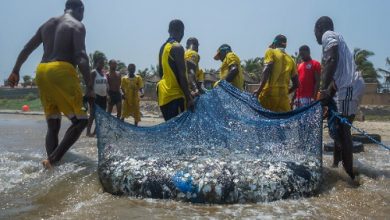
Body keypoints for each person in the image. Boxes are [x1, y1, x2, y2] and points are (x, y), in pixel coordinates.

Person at [7, 0, 93, 169]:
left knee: (53, 123)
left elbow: (27, 48)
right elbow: (81, 56)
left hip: (41, 71)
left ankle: (52, 164)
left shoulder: (47, 24)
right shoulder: (77, 25)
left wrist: (15, 70)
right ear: (80, 9)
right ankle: (52, 160)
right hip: (61, 70)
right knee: (81, 121)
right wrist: (89, 86)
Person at [315, 16, 365, 180]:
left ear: (319, 28)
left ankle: (350, 176)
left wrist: (322, 90)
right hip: (346, 86)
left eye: (315, 31)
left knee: (343, 130)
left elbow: (331, 59)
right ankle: (337, 164)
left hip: (348, 87)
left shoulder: (327, 35)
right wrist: (328, 92)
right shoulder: (337, 38)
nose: (315, 35)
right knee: (337, 126)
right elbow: (336, 68)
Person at [158, 19, 194, 121]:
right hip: (175, 96)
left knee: (170, 131)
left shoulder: (163, 47)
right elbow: (182, 75)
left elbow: (160, 73)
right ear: (182, 32)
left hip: (163, 96)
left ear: (169, 31)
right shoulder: (177, 47)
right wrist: (188, 97)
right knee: (178, 132)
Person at [254, 35, 299, 112]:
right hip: (283, 99)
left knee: (265, 120)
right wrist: (285, 93)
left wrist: (259, 90)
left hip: (269, 96)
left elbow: (267, 69)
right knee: (282, 122)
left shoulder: (271, 51)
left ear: (274, 43)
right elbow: (296, 84)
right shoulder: (291, 60)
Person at [86, 54, 108, 137]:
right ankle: (88, 132)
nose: (102, 64)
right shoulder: (94, 72)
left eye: (103, 63)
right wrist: (92, 94)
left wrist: (108, 95)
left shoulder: (104, 73)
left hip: (104, 96)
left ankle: (95, 132)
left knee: (101, 116)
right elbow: (90, 85)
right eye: (100, 63)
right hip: (96, 96)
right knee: (93, 115)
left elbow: (106, 85)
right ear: (96, 63)